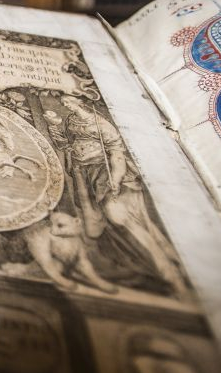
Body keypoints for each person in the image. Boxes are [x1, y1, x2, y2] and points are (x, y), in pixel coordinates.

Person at [58, 95, 188, 296]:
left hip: (106, 172)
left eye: (68, 102)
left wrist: (116, 178)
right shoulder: (70, 120)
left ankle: (170, 273)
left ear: (79, 103)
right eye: (64, 103)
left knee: (121, 218)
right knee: (122, 222)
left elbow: (116, 153)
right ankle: (164, 269)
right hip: (85, 174)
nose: (65, 105)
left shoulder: (102, 124)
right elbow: (71, 141)